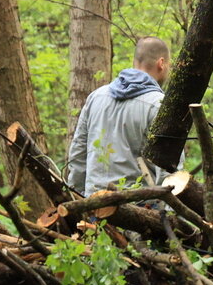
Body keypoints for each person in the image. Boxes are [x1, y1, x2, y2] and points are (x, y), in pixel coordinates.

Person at [68, 36, 172, 197]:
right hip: (142, 209)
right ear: (161, 63)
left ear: (135, 61)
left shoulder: (96, 97)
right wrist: (172, 214)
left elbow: (78, 153)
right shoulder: (159, 105)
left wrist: (76, 197)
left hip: (95, 202)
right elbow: (168, 169)